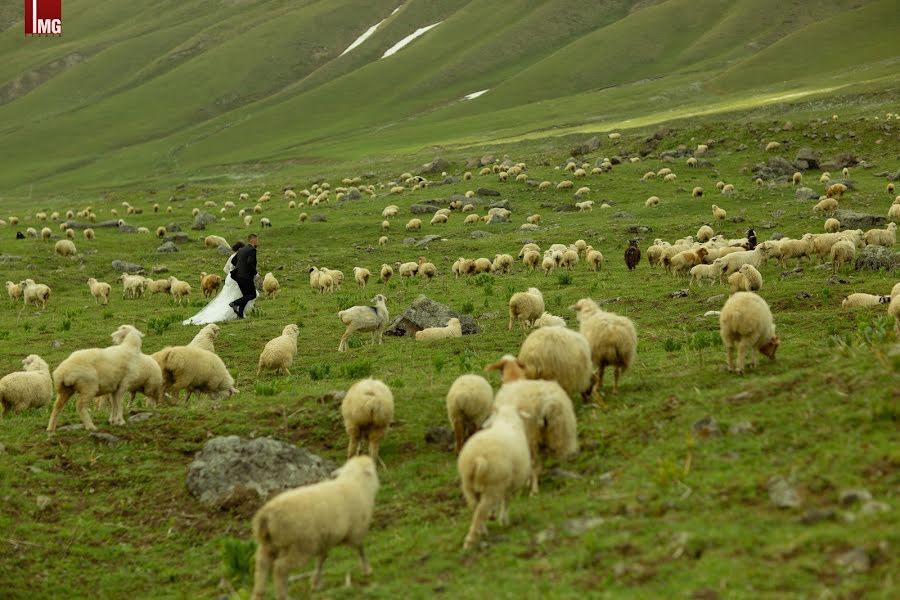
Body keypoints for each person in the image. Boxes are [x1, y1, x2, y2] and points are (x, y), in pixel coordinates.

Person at [182, 239, 257, 325]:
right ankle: (236, 309)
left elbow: (226, 269)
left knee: (231, 295)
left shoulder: (232, 256)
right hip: (237, 277)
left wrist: (231, 273)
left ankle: (239, 313)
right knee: (243, 295)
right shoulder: (240, 256)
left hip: (231, 277)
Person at [229, 233, 259, 319]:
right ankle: (234, 303)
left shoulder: (241, 250)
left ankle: (240, 315)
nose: (258, 242)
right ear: (253, 240)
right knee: (252, 295)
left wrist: (241, 267)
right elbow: (249, 262)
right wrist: (255, 273)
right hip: (246, 277)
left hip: (238, 276)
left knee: (246, 296)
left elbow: (234, 261)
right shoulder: (252, 250)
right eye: (257, 240)